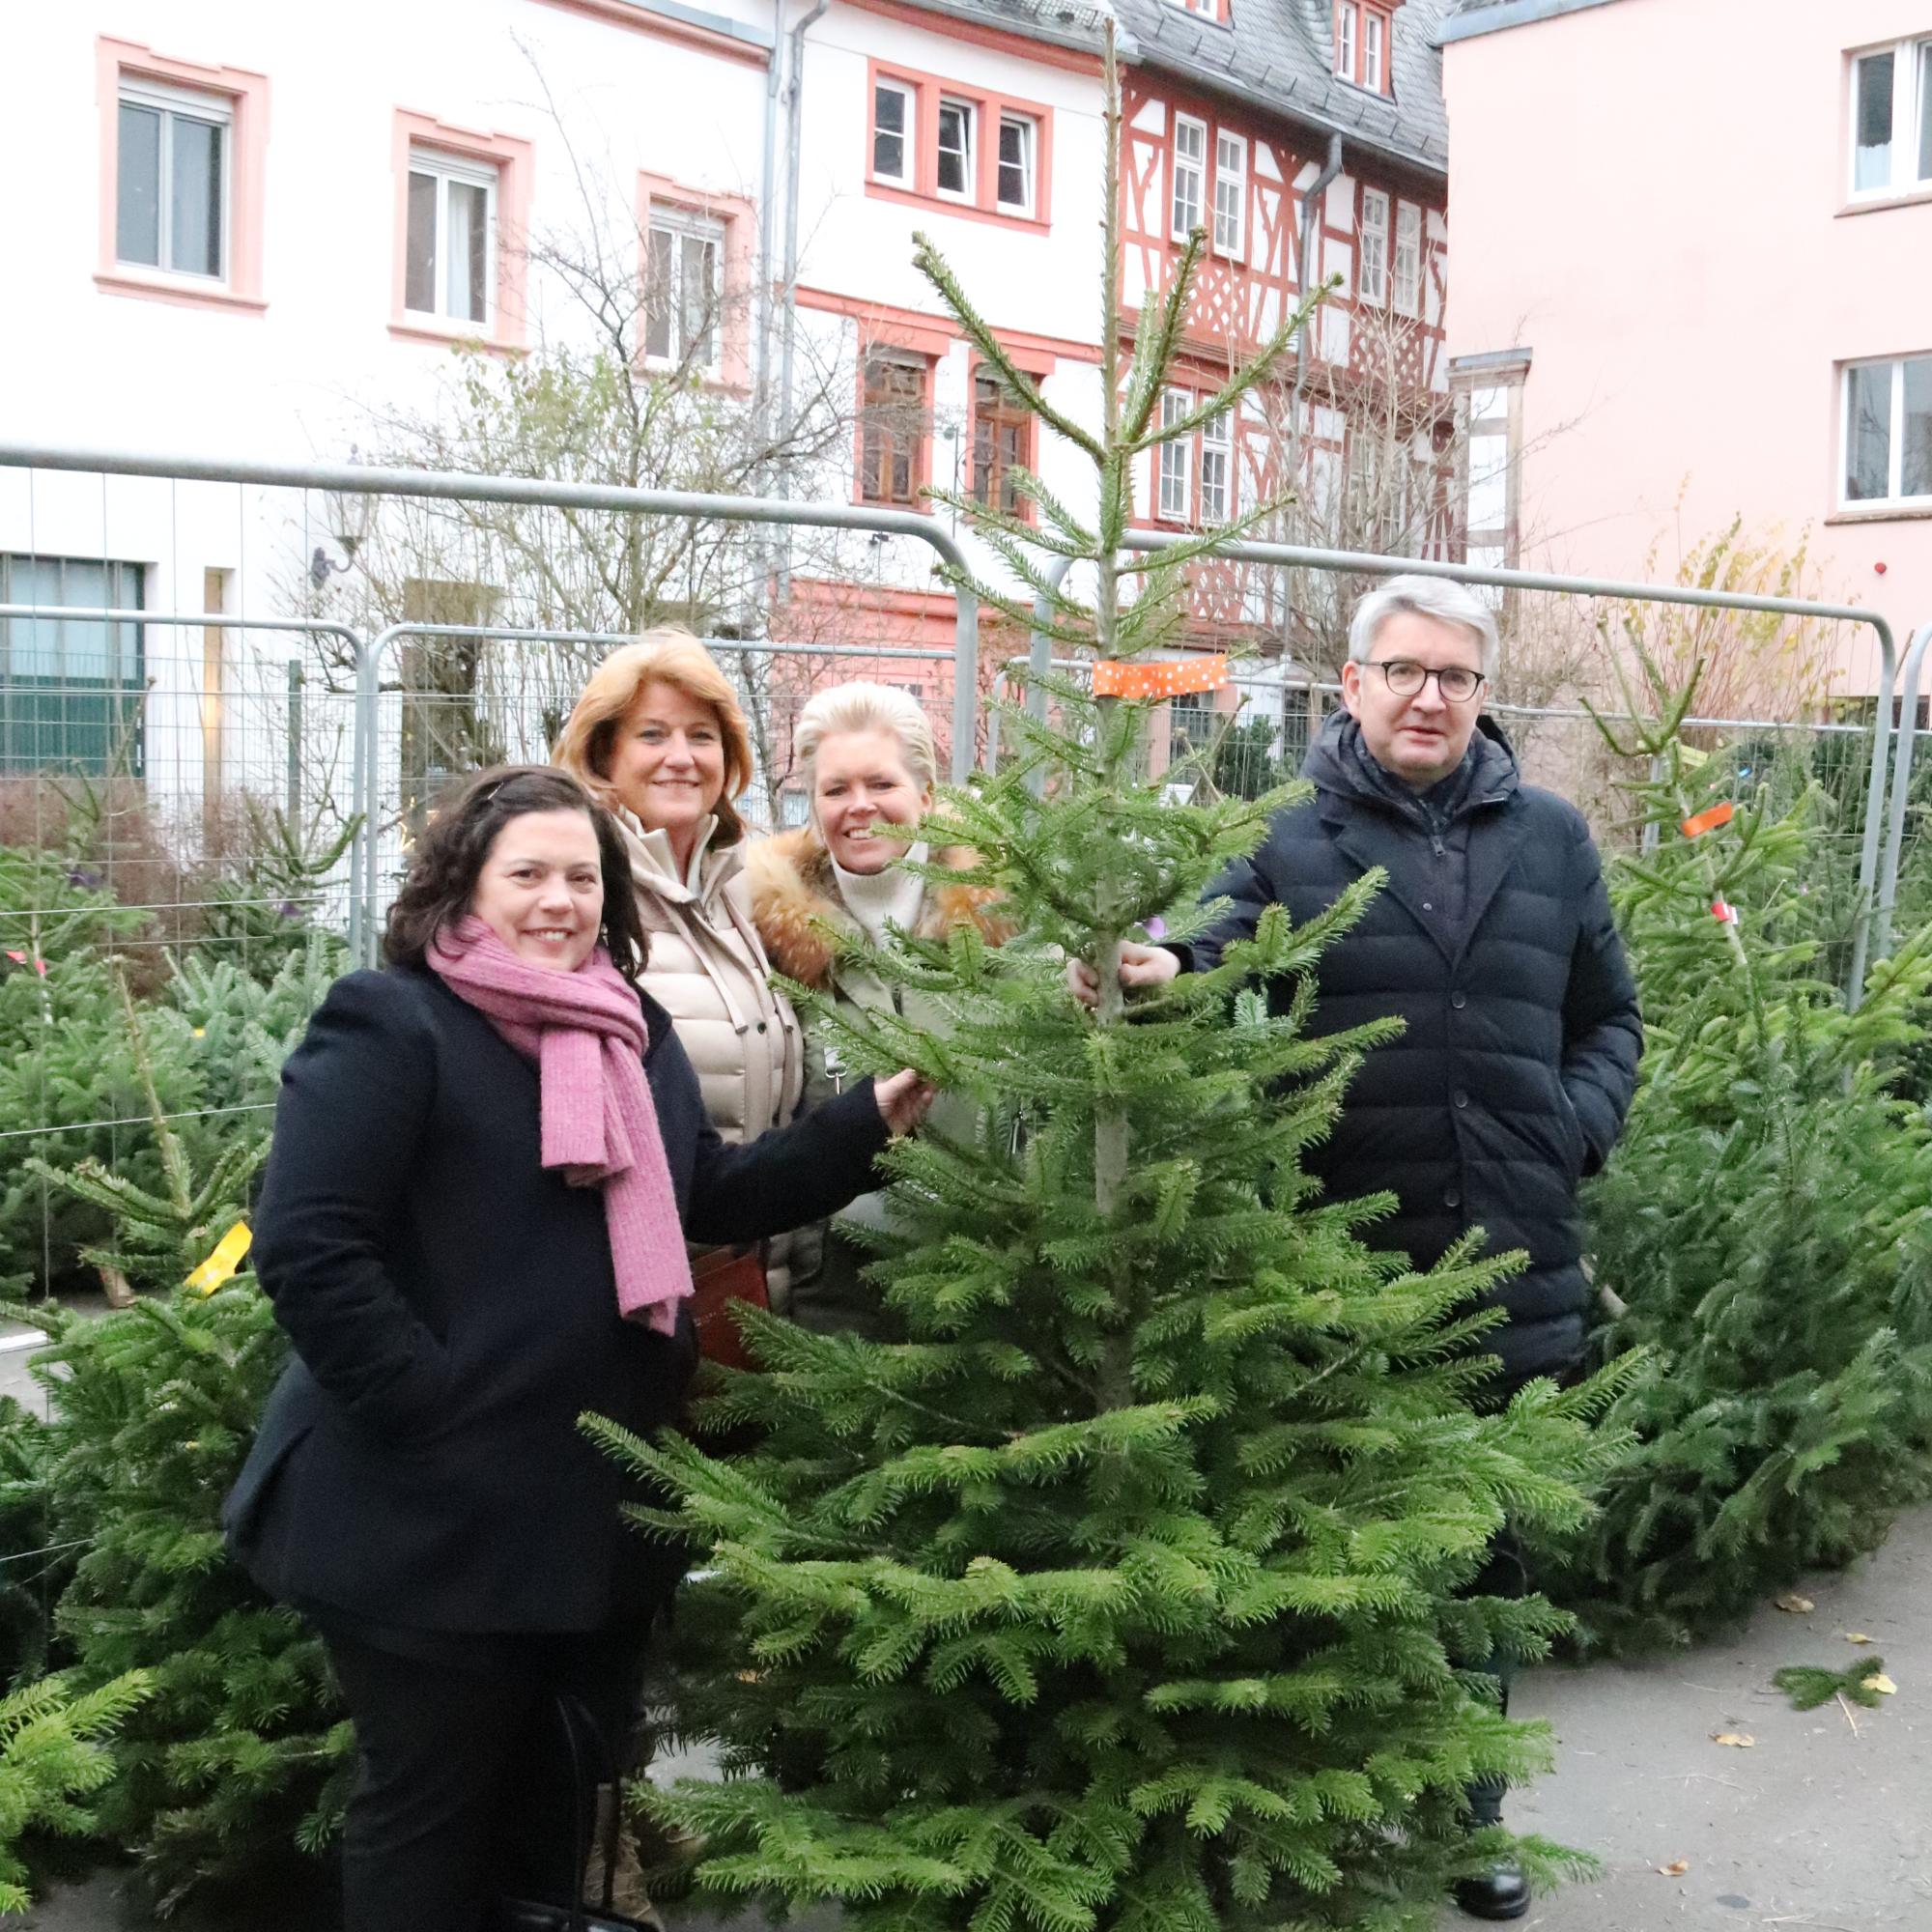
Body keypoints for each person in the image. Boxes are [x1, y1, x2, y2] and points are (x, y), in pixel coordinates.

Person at [222, 767, 929, 1932]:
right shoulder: (391, 1021)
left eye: (581, 877)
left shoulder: (626, 1026)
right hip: (420, 1513)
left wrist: (866, 1122)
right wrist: (431, 1408)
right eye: (528, 874)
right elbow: (307, 1243)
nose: (558, 900)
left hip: (584, 1502)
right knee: (429, 1813)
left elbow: (705, 1188)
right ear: (462, 884)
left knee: (551, 1807)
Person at [1069, 575, 1642, 1923]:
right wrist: (1146, 970)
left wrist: (1573, 1130)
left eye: (1456, 675)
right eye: (1406, 671)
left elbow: (1611, 1016)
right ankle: (1320, 1811)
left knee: (1490, 1549)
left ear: (1481, 696)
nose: (1431, 696)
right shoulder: (1287, 837)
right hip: (1344, 1265)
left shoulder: (1552, 838)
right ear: (1353, 682)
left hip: (1514, 1259)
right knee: (1339, 1549)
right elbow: (1199, 955)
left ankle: (1473, 1815)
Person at [748, 682, 1009, 1337]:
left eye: (881, 784)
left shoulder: (1002, 924)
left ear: (925, 795)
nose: (860, 806)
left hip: (987, 1303)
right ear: (813, 805)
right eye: (835, 790)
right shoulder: (766, 937)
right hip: (834, 1308)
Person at [554, 632, 807, 1306]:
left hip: (752, 1290)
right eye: (653, 735)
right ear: (604, 752)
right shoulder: (577, 897)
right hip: (631, 1299)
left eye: (701, 736)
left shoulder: (746, 892)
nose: (681, 758)